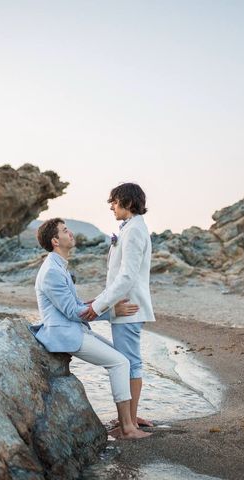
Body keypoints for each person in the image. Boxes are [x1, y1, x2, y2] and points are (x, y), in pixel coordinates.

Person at [30, 218, 151, 439]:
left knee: (120, 359)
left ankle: (126, 422)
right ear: (56, 240)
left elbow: (75, 306)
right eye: (65, 231)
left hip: (74, 329)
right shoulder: (51, 272)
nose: (71, 233)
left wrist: (105, 303)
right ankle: (127, 428)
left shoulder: (58, 266)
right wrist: (112, 312)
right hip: (64, 334)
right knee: (120, 362)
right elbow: (70, 311)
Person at [81, 183, 156, 429]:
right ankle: (130, 418)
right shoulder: (130, 229)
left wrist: (100, 305)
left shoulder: (134, 231)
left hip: (128, 307)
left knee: (129, 363)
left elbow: (127, 277)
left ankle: (130, 421)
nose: (111, 207)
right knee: (128, 362)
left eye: (114, 202)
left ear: (128, 202)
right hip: (123, 305)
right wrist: (99, 301)